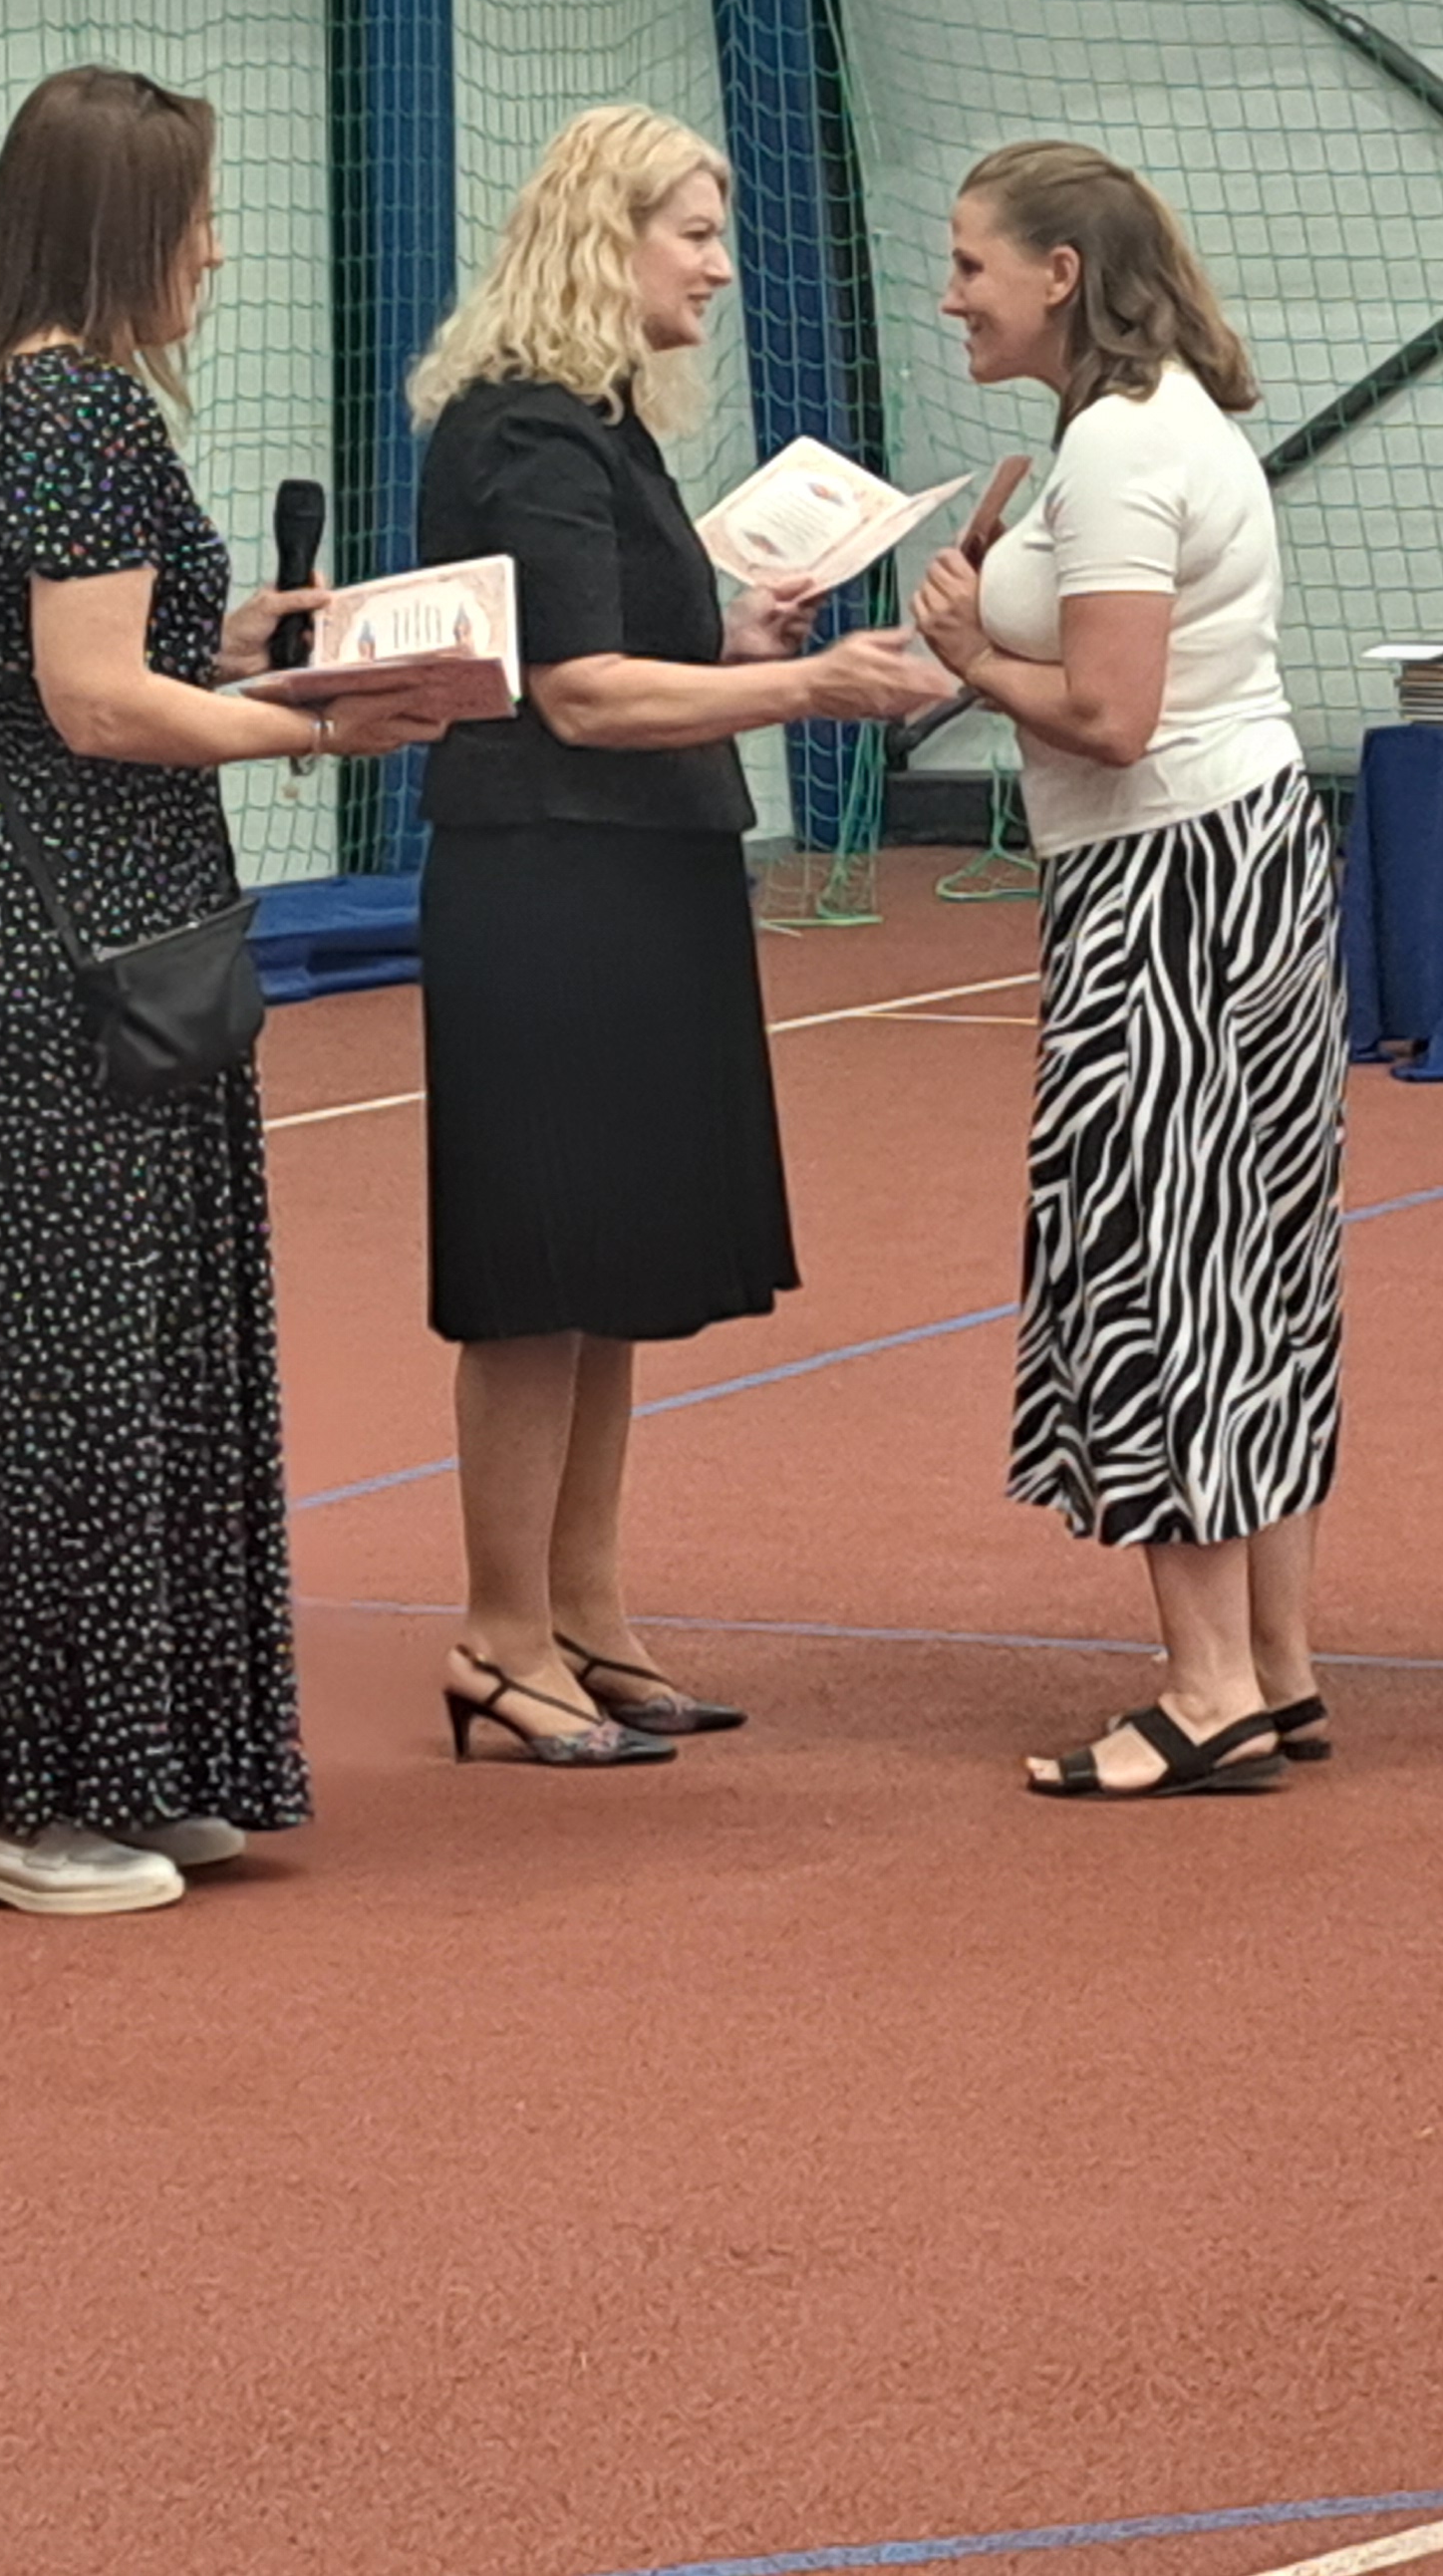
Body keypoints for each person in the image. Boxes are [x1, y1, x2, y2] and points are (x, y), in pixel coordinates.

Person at [0, 67, 453, 1917]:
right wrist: (312, 725)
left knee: (100, 1353)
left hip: (73, 927)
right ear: (120, 234)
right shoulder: (77, 413)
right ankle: (13, 1804)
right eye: (193, 220)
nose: (216, 251)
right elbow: (97, 705)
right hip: (75, 945)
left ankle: (120, 1761)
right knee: (71, 1368)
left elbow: (86, 665)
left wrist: (241, 646)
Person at [411, 104, 954, 1768]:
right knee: (536, 1277)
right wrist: (809, 686)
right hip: (551, 888)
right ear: (607, 236)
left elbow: (615, 648)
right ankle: (499, 1636)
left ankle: (586, 1615)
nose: (719, 268)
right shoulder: (525, 431)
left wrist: (730, 639)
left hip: (640, 875)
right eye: (695, 236)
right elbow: (576, 695)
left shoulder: (602, 420)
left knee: (613, 1272)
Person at [912, 142, 1343, 1801]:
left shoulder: (1116, 446)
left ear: (1060, 275)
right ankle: (1275, 1662)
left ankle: (1210, 1684)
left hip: (1170, 884)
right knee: (1253, 1255)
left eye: (972, 265)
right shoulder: (1159, 423)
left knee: (1164, 1253)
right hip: (1238, 858)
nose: (951, 296)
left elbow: (1110, 712)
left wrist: (970, 654)